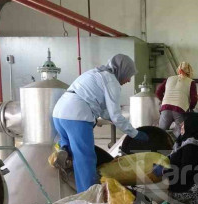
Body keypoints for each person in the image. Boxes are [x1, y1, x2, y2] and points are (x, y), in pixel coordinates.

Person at [52, 54, 148, 193]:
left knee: (72, 153)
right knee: (85, 160)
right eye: (128, 75)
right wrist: (134, 133)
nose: (128, 80)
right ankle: (89, 198)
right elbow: (115, 115)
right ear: (121, 70)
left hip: (59, 114)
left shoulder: (95, 73)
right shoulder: (112, 81)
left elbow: (104, 112)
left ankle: (63, 149)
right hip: (77, 116)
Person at [156, 62, 198, 137]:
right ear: (189, 71)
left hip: (165, 108)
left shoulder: (169, 79)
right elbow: (194, 99)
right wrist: (190, 108)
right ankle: (177, 148)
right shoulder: (191, 82)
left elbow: (158, 92)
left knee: (161, 133)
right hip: (180, 110)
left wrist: (164, 101)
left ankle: (158, 147)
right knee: (180, 135)